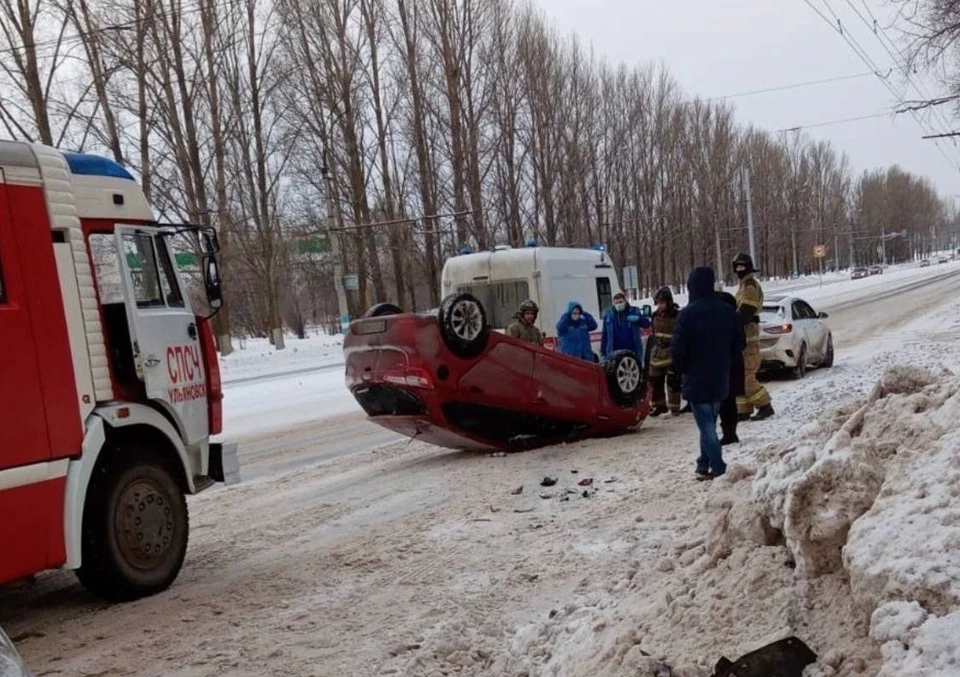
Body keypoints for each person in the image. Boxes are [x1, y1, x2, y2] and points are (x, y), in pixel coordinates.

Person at [671, 266, 745, 480]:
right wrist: (725, 359)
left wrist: (680, 369)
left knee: (707, 427)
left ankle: (719, 468)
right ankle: (702, 464)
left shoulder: (687, 315)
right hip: (721, 376)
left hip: (696, 378)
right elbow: (739, 342)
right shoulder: (727, 311)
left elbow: (678, 348)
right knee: (708, 423)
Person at [732, 252, 774, 421]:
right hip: (743, 339)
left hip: (749, 340)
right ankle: (743, 410)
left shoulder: (749, 286)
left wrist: (731, 322)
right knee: (740, 377)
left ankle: (765, 406)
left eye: (742, 267)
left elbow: (746, 312)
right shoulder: (743, 286)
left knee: (748, 377)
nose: (739, 270)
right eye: (737, 267)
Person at [716, 290, 746, 445]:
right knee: (729, 400)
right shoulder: (736, 318)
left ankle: (728, 433)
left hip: (724, 365)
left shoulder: (718, 320)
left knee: (724, 401)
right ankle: (730, 432)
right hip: (734, 364)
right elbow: (742, 343)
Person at [648, 287, 682, 417]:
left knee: (673, 381)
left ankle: (674, 408)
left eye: (663, 302)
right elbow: (653, 332)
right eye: (658, 303)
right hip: (657, 352)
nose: (660, 305)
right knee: (655, 380)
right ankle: (659, 405)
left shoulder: (677, 316)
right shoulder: (655, 316)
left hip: (672, 351)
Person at [601, 291, 651, 363]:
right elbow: (605, 335)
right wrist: (603, 353)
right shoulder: (609, 315)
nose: (619, 304)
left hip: (632, 351)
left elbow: (647, 324)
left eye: (621, 301)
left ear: (625, 300)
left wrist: (638, 319)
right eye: (616, 302)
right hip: (614, 353)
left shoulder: (634, 311)